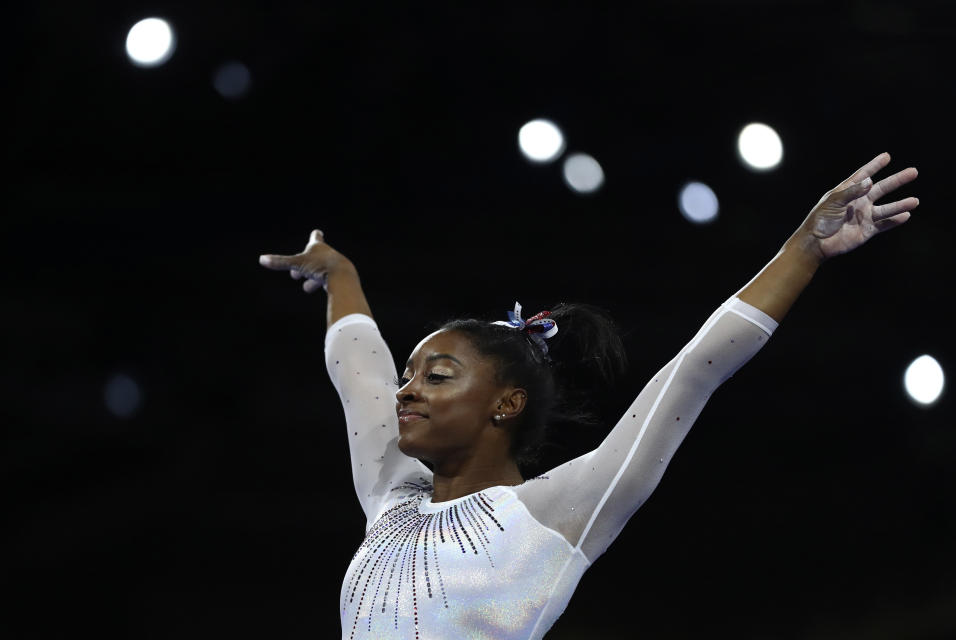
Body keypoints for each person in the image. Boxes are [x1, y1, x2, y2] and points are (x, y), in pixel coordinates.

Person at [259, 152, 918, 639]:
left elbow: (692, 372)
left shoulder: (552, 517)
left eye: (436, 376)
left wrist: (805, 248)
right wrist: (341, 273)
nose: (405, 391)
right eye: (410, 374)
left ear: (505, 403)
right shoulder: (390, 499)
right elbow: (359, 372)